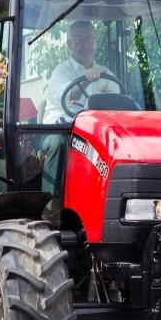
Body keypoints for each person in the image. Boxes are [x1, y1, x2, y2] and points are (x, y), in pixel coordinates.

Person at [40, 21, 114, 207]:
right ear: (69, 45)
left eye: (89, 39)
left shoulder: (105, 73)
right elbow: (70, 94)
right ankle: (50, 208)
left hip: (92, 132)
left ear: (96, 43)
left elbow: (120, 101)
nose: (85, 44)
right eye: (79, 40)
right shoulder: (61, 71)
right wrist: (86, 81)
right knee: (60, 143)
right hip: (60, 129)